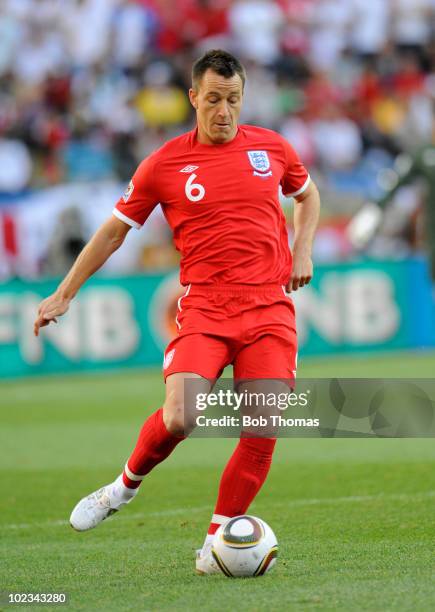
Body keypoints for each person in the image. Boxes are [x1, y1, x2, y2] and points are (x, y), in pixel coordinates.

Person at [33, 50, 320, 574]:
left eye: (233, 100)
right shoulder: (164, 164)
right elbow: (115, 231)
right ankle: (122, 487)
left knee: (263, 426)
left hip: (270, 310)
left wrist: (302, 250)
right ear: (193, 97)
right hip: (207, 310)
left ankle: (214, 545)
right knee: (181, 416)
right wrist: (65, 291)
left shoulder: (272, 148)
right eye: (213, 100)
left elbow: (307, 194)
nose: (224, 112)